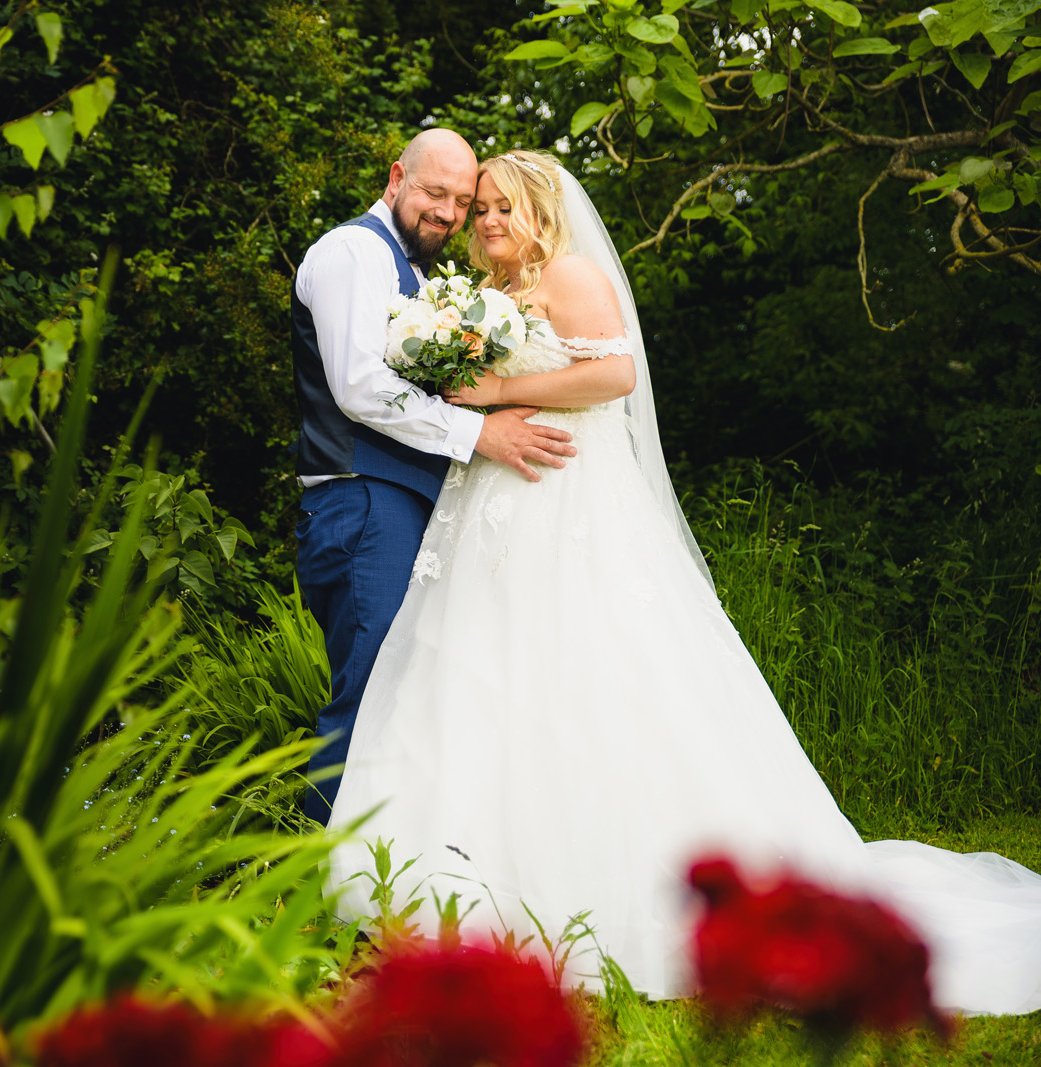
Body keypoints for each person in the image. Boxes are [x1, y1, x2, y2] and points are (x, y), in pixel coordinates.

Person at [325, 149, 1041, 1016]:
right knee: (483, 672)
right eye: (478, 210)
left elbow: (615, 373)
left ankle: (604, 880)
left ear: (542, 210)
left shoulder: (573, 276)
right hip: (492, 506)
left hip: (568, 506)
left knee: (588, 671)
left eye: (502, 208)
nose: (486, 223)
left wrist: (500, 388)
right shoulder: (488, 300)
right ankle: (470, 883)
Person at [291, 130, 577, 826]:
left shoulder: (421, 280)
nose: (449, 213)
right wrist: (483, 432)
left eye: (462, 200)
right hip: (364, 502)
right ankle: (305, 877)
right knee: (370, 692)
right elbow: (359, 386)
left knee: (408, 696)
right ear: (396, 178)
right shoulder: (353, 252)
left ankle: (373, 879)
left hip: (411, 505)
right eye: (434, 193)